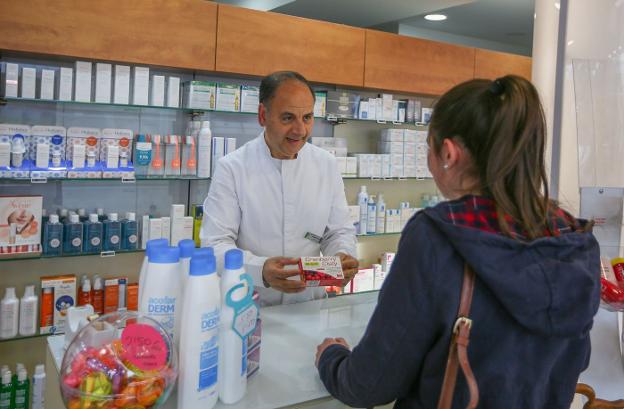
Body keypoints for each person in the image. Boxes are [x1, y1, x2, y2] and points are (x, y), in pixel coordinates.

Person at [315, 76, 601, 408]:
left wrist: (331, 358)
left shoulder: (438, 237)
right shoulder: (573, 238)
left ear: (448, 152)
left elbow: (369, 384)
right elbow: (573, 360)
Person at [201, 71, 358, 306]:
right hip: (249, 310)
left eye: (307, 118)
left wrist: (342, 257)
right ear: (263, 116)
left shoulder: (326, 165)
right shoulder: (232, 168)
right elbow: (214, 245)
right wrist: (260, 270)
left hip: (310, 307)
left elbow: (338, 231)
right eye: (287, 118)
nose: (300, 130)